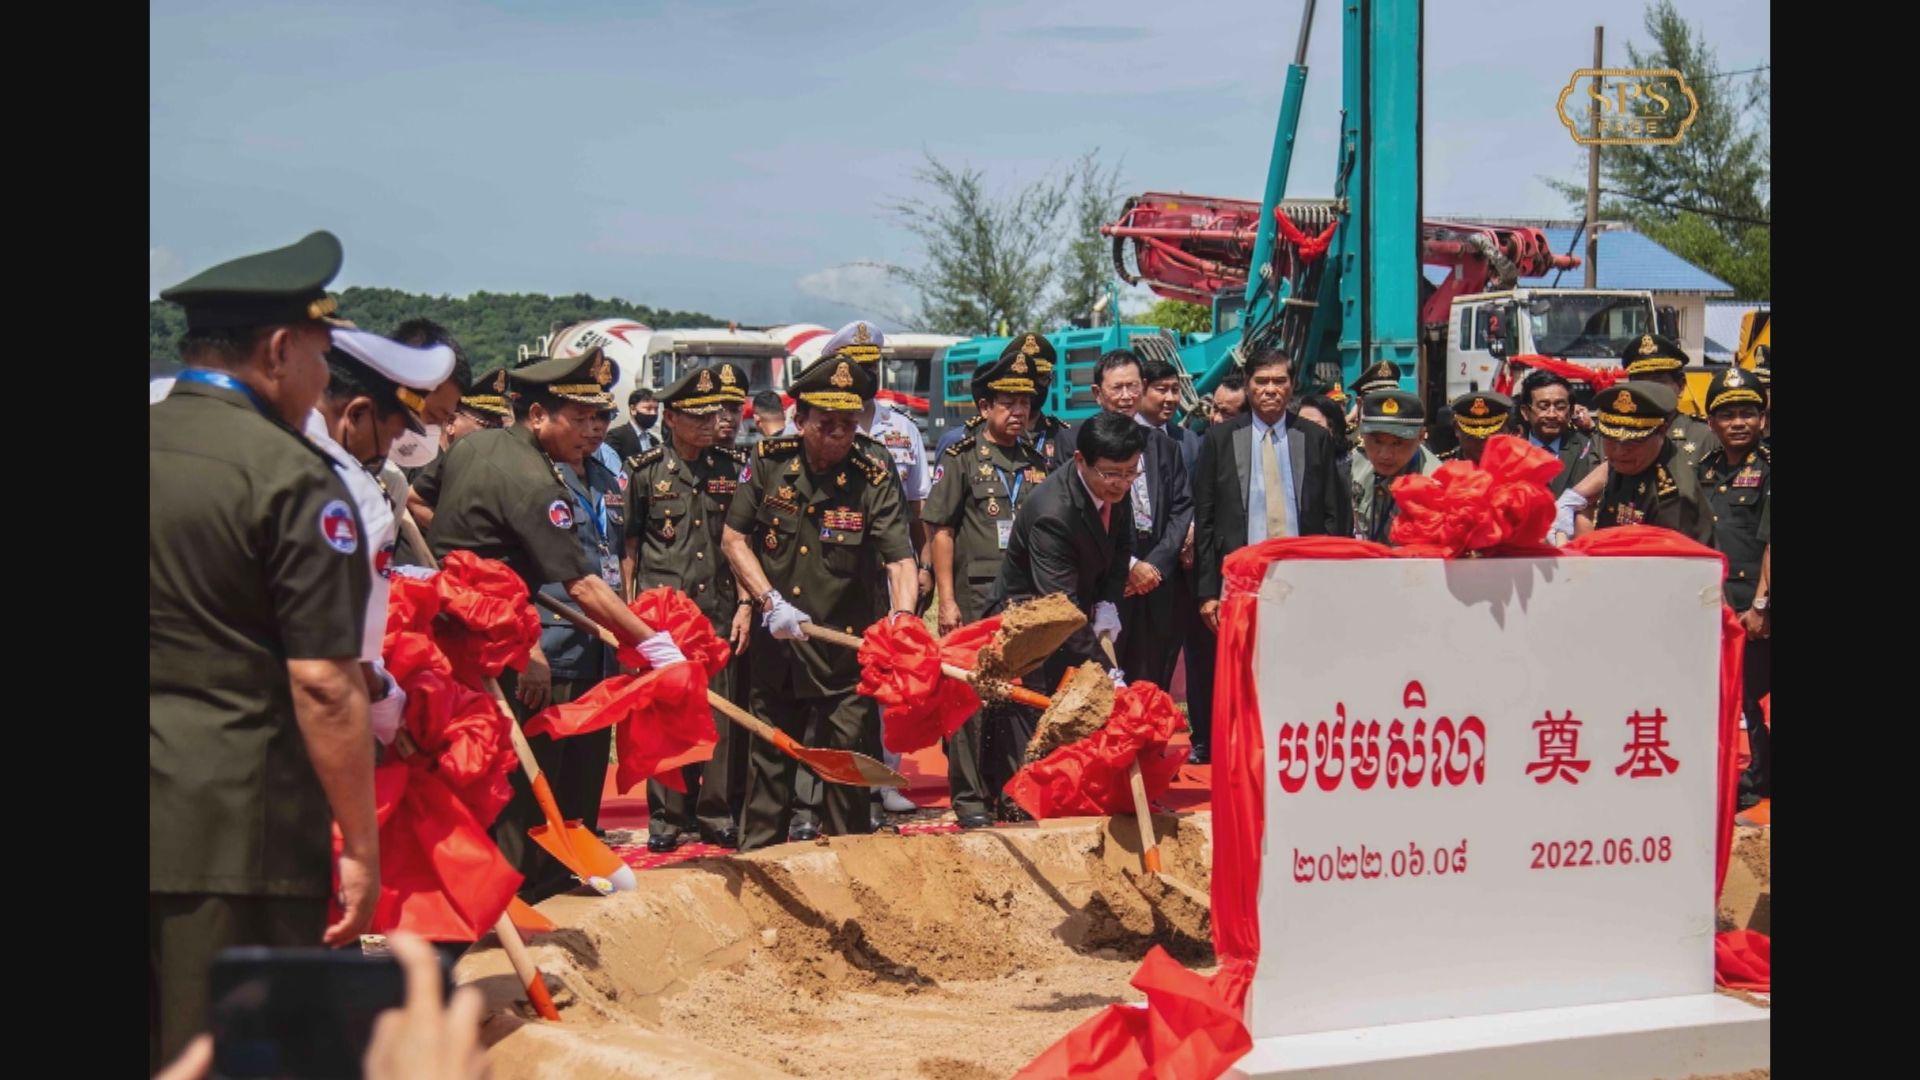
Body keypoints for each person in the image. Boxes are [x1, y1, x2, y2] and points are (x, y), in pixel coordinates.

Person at [150, 231, 379, 1068]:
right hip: (233, 836)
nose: (325, 384)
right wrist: (358, 842)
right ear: (280, 351)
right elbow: (324, 682)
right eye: (322, 356)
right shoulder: (291, 477)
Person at [426, 346, 690, 901]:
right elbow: (584, 584)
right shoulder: (535, 482)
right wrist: (654, 644)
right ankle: (524, 896)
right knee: (516, 777)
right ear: (538, 415)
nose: (589, 431)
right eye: (577, 419)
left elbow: (422, 505)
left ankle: (497, 888)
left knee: (481, 768)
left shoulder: (474, 447)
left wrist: (476, 557)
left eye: (599, 419)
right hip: (496, 641)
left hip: (458, 631)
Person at [720, 356, 918, 851]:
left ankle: (853, 879)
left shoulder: (872, 473)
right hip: (779, 646)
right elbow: (734, 538)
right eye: (825, 424)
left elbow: (900, 559)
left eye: (848, 424)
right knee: (769, 768)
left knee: (847, 772)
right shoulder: (769, 460)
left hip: (842, 652)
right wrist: (767, 601)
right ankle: (761, 865)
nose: (838, 434)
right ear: (800, 419)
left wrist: (903, 619)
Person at [984, 411, 1144, 811]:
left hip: (1073, 608)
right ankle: (1016, 802)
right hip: (1030, 619)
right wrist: (1107, 671)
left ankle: (1065, 795)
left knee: (1072, 708)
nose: (1122, 484)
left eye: (1130, 473)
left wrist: (1109, 602)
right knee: (1032, 709)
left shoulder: (1116, 491)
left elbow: (1121, 545)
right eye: (1111, 474)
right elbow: (1060, 607)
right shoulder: (1053, 512)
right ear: (1080, 462)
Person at [304, 327, 456, 748]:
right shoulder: (353, 489)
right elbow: (346, 648)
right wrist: (385, 700)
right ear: (356, 413)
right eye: (391, 435)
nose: (389, 450)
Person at [626, 365, 755, 851]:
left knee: (719, 715)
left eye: (716, 413)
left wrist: (746, 604)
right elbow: (631, 545)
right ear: (671, 417)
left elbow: (741, 543)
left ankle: (715, 812)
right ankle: (666, 816)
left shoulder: (731, 468)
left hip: (719, 610)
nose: (710, 422)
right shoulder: (646, 473)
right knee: (666, 716)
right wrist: (628, 611)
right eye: (697, 415)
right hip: (665, 619)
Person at [924, 345, 1050, 827]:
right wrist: (947, 600)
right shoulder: (960, 458)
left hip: (1025, 603)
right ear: (984, 407)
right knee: (970, 699)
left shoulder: (1038, 462)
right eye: (1007, 403)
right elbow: (941, 530)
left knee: (1018, 698)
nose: (1018, 412)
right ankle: (971, 799)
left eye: (1025, 403)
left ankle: (1014, 791)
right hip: (975, 598)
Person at [1192, 350, 1352, 644]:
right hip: (1240, 576)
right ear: (1247, 383)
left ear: (1292, 385)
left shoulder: (1314, 439)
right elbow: (1206, 518)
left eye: (1279, 381)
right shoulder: (1220, 439)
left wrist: (1334, 579)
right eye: (1261, 381)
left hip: (1303, 575)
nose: (1270, 390)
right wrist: (1208, 592)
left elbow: (1335, 514)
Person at [1696, 366, 1770, 811]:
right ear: (1711, 423)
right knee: (1731, 697)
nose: (1738, 422)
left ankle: (1758, 779)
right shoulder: (1702, 470)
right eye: (1728, 415)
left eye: (1748, 413)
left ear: (1763, 419)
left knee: (1753, 698)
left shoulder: (1768, 469)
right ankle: (1750, 775)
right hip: (1716, 607)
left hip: (1756, 609)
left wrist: (1763, 604)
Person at [1578, 381, 1714, 544]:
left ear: (1662, 431)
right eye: (1610, 439)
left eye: (1632, 442)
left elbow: (1667, 565)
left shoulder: (1671, 498)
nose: (1620, 451)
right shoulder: (1632, 462)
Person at [1351, 389, 1441, 543]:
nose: (1385, 454)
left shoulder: (1436, 484)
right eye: (1377, 441)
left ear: (1420, 436)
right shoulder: (1354, 465)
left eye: (1398, 443)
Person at [1619, 333, 1719, 468]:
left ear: (1681, 386)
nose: (1649, 391)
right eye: (1641, 383)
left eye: (1659, 382)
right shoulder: (1614, 436)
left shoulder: (1705, 437)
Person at [1516, 369, 1601, 496]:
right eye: (1543, 406)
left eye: (1560, 407)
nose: (1552, 415)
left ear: (1571, 411)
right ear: (1525, 412)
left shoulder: (1586, 449)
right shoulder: (1512, 452)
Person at [1438, 391, 1515, 464]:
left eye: (1490, 435)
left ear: (1506, 429)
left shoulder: (1519, 467)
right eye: (1472, 436)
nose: (1481, 443)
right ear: (1456, 429)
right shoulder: (1439, 469)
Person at [605, 387, 661, 460]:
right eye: (648, 408)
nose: (653, 413)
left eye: (656, 409)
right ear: (633, 409)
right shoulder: (616, 437)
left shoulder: (654, 441)